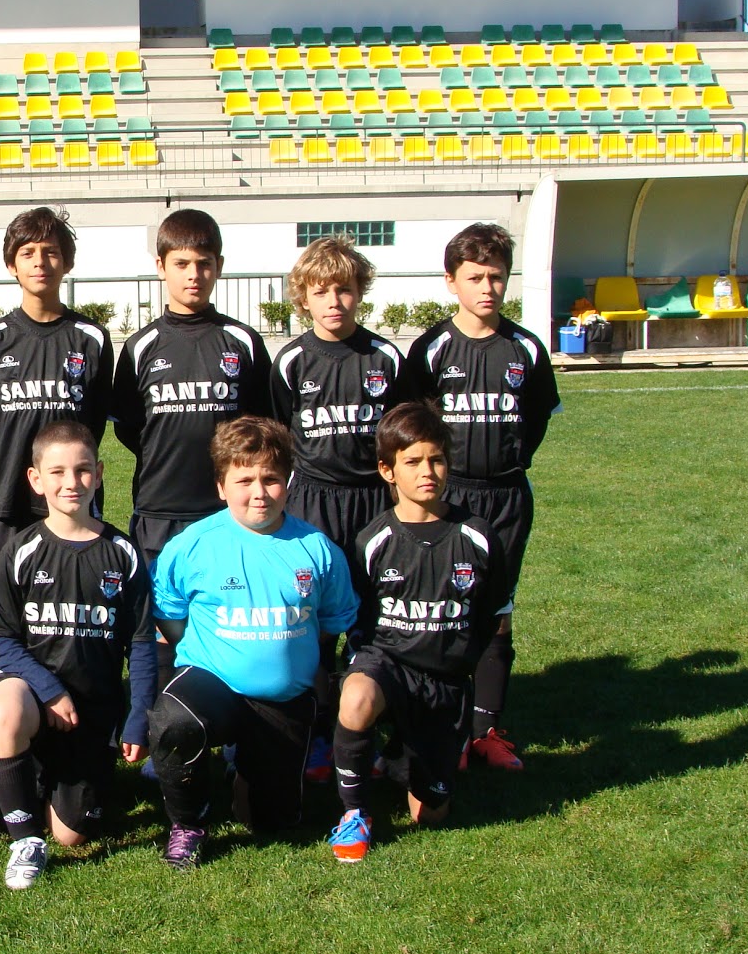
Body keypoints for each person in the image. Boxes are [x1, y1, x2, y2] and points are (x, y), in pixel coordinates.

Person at [147, 416, 356, 868]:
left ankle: (244, 768)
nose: (259, 492)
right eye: (244, 480)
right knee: (174, 724)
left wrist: (284, 656)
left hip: (284, 699)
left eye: (270, 479)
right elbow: (168, 614)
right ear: (221, 486)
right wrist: (213, 653)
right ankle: (188, 823)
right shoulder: (192, 545)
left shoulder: (317, 549)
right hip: (213, 684)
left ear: (288, 482)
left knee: (274, 822)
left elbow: (332, 622)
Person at [403, 223, 559, 770]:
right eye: (475, 277)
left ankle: (486, 730)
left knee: (496, 608)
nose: (487, 288)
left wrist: (511, 460)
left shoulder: (526, 348)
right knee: (441, 607)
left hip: (506, 494)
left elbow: (536, 419)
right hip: (449, 495)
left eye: (496, 276)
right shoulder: (431, 348)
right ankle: (437, 724)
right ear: (452, 281)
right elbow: (413, 425)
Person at [0, 421, 156, 890]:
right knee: (3, 705)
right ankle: (24, 841)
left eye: (82, 470)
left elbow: (140, 643)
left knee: (72, 834)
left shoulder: (122, 553)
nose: (70, 482)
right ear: (35, 480)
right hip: (36, 700)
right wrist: (50, 691)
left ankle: (31, 781)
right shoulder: (21, 550)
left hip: (92, 712)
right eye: (56, 472)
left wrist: (138, 717)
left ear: (99, 474)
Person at [328, 401, 507, 862]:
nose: (427, 472)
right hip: (387, 665)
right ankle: (354, 814)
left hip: (443, 683)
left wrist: (470, 683)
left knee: (430, 814)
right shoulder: (372, 541)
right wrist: (358, 668)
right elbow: (357, 621)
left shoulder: (479, 537)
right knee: (357, 697)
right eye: (412, 462)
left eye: (437, 459)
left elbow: (493, 622)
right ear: (387, 471)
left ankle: (399, 756)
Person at [112, 207, 272, 681]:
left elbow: (259, 427)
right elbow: (129, 428)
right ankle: (164, 716)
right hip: (160, 509)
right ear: (161, 266)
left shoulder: (242, 341)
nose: (194, 275)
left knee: (234, 617)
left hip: (229, 511)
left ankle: (234, 711)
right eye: (181, 263)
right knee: (163, 623)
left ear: (219, 266)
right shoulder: (141, 346)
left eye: (204, 263)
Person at [269, 235, 405, 780]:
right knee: (317, 622)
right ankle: (319, 733)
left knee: (377, 617)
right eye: (321, 291)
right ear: (303, 297)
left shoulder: (385, 358)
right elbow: (280, 435)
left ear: (360, 293)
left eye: (344, 290)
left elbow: (402, 435)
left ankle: (373, 729)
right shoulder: (292, 360)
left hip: (374, 501)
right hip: (313, 502)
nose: (334, 301)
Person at [0, 206, 112, 562]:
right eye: (28, 253)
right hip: (8, 498)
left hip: (73, 499)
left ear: (67, 262)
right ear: (11, 265)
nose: (40, 262)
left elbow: (93, 422)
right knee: (5, 591)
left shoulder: (92, 339)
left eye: (51, 252)